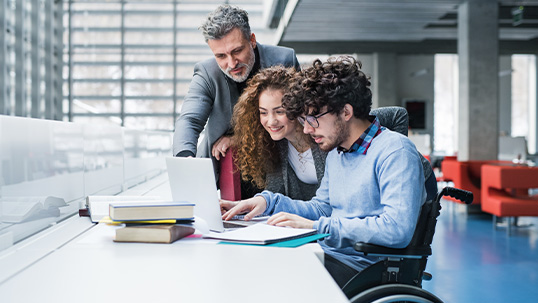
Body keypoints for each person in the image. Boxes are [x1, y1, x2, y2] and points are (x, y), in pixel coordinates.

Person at [222, 56, 426, 288]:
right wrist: (269, 202)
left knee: (270, 276)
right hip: (330, 254)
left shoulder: (395, 151)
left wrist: (317, 227)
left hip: (365, 269)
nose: (307, 128)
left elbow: (396, 229)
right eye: (303, 119)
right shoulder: (338, 153)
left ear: (346, 112)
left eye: (313, 119)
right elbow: (322, 208)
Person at [231, 65, 414, 201]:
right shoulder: (276, 144)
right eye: (263, 112)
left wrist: (390, 160)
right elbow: (277, 193)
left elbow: (396, 115)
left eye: (279, 111)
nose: (270, 121)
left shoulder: (333, 132)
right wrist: (260, 202)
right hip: (322, 222)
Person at [172, 5, 300, 184]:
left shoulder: (284, 60)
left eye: (237, 51)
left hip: (275, 163)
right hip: (224, 167)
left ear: (252, 40)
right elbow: (189, 120)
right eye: (221, 56)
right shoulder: (207, 72)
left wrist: (238, 139)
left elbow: (296, 118)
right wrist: (185, 160)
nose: (231, 63)